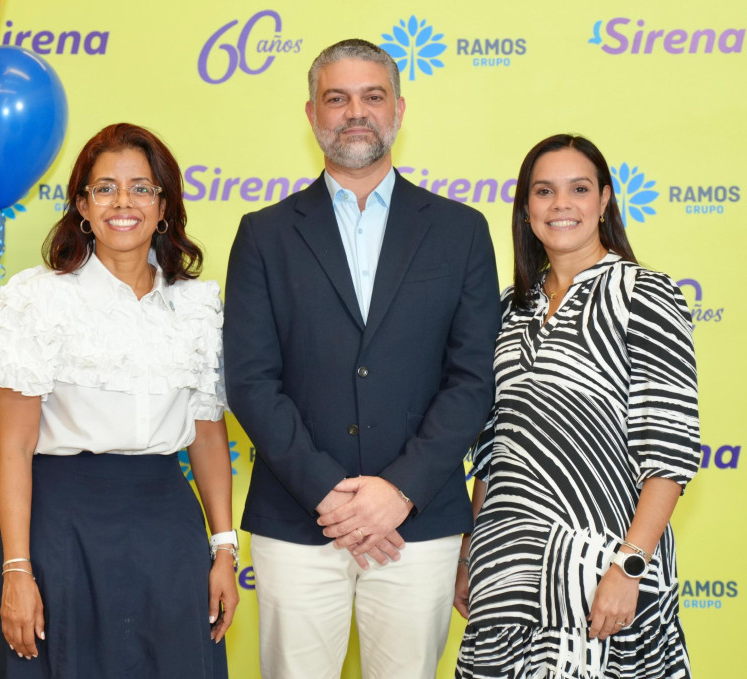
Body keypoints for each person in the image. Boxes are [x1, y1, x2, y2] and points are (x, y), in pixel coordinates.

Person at [223, 38, 499, 678]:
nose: (355, 112)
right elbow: (251, 380)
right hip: (298, 518)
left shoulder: (461, 231)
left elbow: (472, 378)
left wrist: (399, 491)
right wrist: (330, 495)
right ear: (311, 113)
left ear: (399, 108)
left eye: (372, 96)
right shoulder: (264, 234)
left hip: (417, 522)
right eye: (337, 98)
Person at [0, 123, 238, 678]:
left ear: (164, 206)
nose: (123, 202)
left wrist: (224, 551)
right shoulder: (39, 299)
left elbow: (208, 437)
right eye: (105, 188)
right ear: (83, 207)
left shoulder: (196, 307)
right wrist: (17, 569)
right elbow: (13, 450)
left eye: (141, 188)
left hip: (169, 535)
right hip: (59, 534)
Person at [454, 134, 700, 678]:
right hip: (506, 573)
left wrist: (629, 567)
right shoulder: (507, 309)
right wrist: (470, 556)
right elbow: (492, 451)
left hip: (603, 569)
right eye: (544, 191)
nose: (560, 204)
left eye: (579, 189)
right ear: (525, 208)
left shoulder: (645, 294)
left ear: (605, 200)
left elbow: (669, 451)